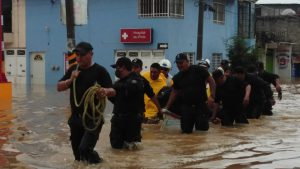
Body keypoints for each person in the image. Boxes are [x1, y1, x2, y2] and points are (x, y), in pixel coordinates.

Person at [57, 42, 115, 163]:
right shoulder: (73, 70)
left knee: (84, 149)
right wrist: (70, 80)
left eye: (82, 55)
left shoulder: (100, 71)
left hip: (93, 119)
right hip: (76, 118)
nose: (79, 58)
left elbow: (113, 91)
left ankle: (100, 164)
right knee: (77, 155)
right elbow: (59, 87)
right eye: (77, 55)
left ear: (91, 54)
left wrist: (105, 91)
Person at [163, 53, 216, 133]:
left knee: (202, 132)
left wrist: (212, 96)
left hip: (201, 106)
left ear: (188, 62)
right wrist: (166, 107)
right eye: (177, 63)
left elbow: (212, 81)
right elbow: (174, 92)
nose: (179, 65)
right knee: (186, 133)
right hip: (186, 108)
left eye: (181, 63)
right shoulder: (177, 77)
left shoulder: (199, 70)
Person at [109, 57, 146, 149]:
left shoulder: (136, 80)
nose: (115, 71)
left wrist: (113, 91)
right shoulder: (118, 83)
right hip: (118, 120)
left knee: (131, 149)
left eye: (116, 68)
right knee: (116, 148)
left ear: (123, 67)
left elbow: (131, 91)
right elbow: (115, 100)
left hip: (131, 121)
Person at [131, 58, 162, 123]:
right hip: (126, 113)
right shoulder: (124, 80)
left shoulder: (143, 82)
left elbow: (152, 96)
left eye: (136, 67)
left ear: (141, 69)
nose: (133, 69)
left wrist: (160, 110)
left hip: (139, 113)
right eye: (132, 67)